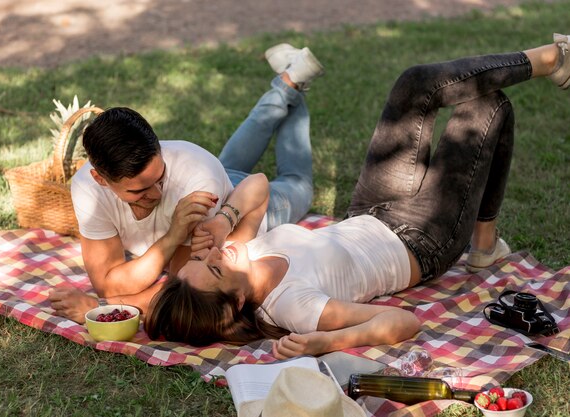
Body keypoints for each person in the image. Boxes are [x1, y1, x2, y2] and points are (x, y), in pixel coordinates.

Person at [145, 34, 570, 359]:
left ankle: (550, 60)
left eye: (202, 260)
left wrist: (225, 219)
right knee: (485, 108)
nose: (213, 255)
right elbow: (404, 322)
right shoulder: (295, 308)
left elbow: (256, 183)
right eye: (214, 270)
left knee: (413, 85)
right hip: (420, 242)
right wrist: (327, 342)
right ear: (235, 303)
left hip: (370, 209)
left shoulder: (238, 253)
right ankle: (483, 241)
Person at [49, 44, 325, 323]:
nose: (156, 193)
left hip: (245, 206)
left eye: (160, 177)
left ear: (159, 148)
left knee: (296, 181)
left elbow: (180, 290)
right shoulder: (87, 187)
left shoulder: (197, 178)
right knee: (226, 164)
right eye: (139, 190)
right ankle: (289, 82)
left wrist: (99, 309)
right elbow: (108, 283)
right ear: (101, 179)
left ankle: (292, 85)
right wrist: (173, 236)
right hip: (219, 177)